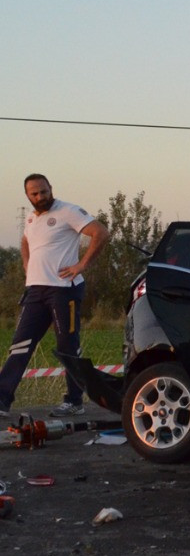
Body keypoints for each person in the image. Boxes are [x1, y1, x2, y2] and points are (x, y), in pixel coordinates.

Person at [0, 174, 110, 419]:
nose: (40, 197)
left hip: (63, 290)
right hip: (35, 290)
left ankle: (74, 401)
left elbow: (100, 232)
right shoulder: (31, 218)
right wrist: (27, 264)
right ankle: (2, 399)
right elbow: (26, 240)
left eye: (44, 191)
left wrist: (82, 265)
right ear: (28, 195)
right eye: (35, 194)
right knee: (20, 344)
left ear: (51, 188)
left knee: (67, 346)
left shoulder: (68, 211)